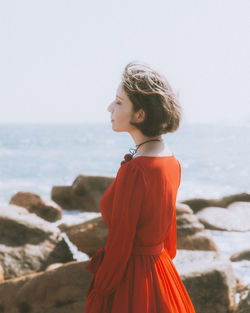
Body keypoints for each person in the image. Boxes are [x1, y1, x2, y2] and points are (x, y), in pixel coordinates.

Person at [84, 61, 196, 313]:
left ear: (140, 114)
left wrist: (101, 291)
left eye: (119, 102)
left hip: (132, 281)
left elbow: (120, 242)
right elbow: (169, 241)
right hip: (161, 270)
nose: (110, 107)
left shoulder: (136, 170)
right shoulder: (171, 161)